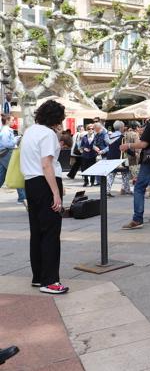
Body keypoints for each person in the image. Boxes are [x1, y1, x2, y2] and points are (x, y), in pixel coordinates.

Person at [20, 99, 69, 294]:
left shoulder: (31, 131)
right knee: (50, 232)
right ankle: (50, 281)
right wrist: (56, 192)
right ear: (56, 118)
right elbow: (47, 164)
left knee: (37, 231)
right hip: (45, 182)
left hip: (31, 183)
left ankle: (38, 276)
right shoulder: (48, 134)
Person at [0, 114, 26, 204]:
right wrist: (16, 140)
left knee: (2, 175)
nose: (13, 121)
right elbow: (7, 143)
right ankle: (22, 197)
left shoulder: (4, 130)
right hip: (7, 154)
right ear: (7, 121)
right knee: (17, 173)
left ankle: (22, 197)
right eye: (12, 120)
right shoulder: (6, 131)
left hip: (4, 154)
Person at [106, 120, 132, 197]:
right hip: (120, 158)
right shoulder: (121, 137)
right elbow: (125, 148)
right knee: (126, 173)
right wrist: (133, 154)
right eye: (123, 126)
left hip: (110, 157)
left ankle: (107, 190)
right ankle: (127, 189)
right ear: (121, 128)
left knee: (111, 174)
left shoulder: (110, 136)